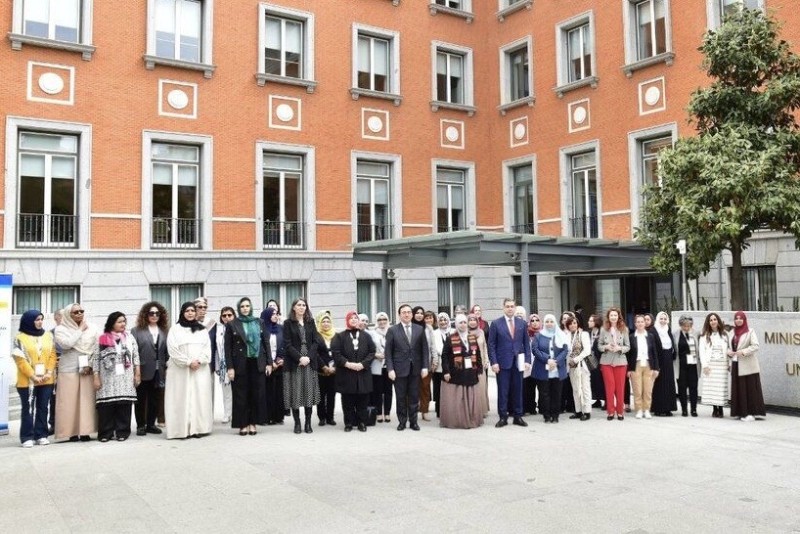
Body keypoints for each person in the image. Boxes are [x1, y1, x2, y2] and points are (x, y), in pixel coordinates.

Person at [165, 302, 213, 439]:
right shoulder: (175, 329)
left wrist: (199, 361)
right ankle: (181, 430)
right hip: (180, 370)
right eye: (187, 311)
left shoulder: (202, 329)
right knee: (181, 397)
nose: (190, 313)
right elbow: (172, 350)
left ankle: (198, 428)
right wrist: (187, 362)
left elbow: (207, 348)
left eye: (193, 310)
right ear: (182, 313)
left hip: (199, 369)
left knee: (199, 397)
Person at [226, 297, 272, 436]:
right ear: (239, 309)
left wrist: (269, 363)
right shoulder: (233, 323)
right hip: (240, 363)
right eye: (242, 306)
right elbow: (228, 348)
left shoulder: (260, 322)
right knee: (241, 395)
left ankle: (253, 423)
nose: (245, 308)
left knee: (256, 394)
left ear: (251, 307)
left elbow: (266, 343)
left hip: (257, 362)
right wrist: (230, 367)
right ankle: (243, 424)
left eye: (247, 306)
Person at [93, 312, 140, 442]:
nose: (123, 324)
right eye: (119, 321)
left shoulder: (130, 338)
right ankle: (105, 433)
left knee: (124, 405)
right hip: (108, 377)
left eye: (124, 321)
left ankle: (122, 432)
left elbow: (136, 356)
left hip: (125, 376)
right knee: (106, 406)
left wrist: (137, 373)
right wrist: (96, 376)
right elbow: (96, 358)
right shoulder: (102, 338)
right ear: (112, 323)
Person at [54, 303, 99, 441]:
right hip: (68, 369)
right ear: (68, 314)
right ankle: (71, 432)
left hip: (87, 368)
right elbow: (67, 344)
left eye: (81, 311)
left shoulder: (92, 327)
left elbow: (96, 347)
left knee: (86, 401)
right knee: (69, 402)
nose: (79, 313)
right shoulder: (60, 329)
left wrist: (90, 364)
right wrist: (80, 329)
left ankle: (85, 431)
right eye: (75, 312)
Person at [12, 310, 57, 447]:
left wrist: (49, 372)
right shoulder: (20, 338)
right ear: (28, 321)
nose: (40, 322)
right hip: (27, 381)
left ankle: (41, 435)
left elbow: (53, 354)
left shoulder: (48, 335)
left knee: (43, 407)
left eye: (41, 319)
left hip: (46, 379)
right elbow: (20, 360)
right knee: (28, 409)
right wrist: (33, 376)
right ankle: (27, 436)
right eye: (37, 319)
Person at [385, 303, 430, 431]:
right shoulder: (393, 330)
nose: (406, 314)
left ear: (412, 314)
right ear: (399, 315)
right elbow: (388, 352)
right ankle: (402, 422)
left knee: (414, 396)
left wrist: (425, 367)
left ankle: (413, 422)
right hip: (399, 370)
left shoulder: (419, 329)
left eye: (409, 312)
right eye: (404, 312)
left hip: (415, 369)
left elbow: (424, 349)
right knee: (400, 397)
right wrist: (390, 369)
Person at [488, 298, 532, 427]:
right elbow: (491, 345)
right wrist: (494, 362)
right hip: (502, 363)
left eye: (512, 306)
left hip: (518, 362)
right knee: (503, 390)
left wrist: (528, 360)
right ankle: (503, 417)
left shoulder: (522, 323)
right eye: (507, 306)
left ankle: (518, 416)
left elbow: (526, 343)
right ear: (503, 308)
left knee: (518, 390)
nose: (510, 308)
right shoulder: (496, 324)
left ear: (515, 307)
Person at [282, 297, 322, 434]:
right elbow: (287, 344)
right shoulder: (287, 323)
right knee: (296, 393)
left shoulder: (310, 322)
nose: (301, 307)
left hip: (309, 362)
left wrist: (308, 358)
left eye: (304, 305)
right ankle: (297, 423)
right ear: (293, 307)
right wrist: (300, 358)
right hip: (294, 362)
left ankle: (308, 423)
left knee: (308, 392)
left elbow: (316, 342)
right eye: (299, 305)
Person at [332, 311, 376, 432]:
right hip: (346, 373)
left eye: (355, 318)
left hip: (363, 372)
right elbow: (336, 353)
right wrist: (348, 364)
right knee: (348, 401)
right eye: (350, 318)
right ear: (347, 320)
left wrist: (363, 364)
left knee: (363, 400)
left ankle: (362, 422)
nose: (353, 320)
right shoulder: (339, 336)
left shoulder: (366, 336)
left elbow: (372, 352)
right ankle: (349, 423)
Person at [440, 314, 484, 429]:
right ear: (456, 324)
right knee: (458, 398)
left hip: (470, 373)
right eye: (460, 322)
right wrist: (446, 372)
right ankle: (458, 421)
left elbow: (478, 355)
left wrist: (479, 370)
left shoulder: (472, 337)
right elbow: (444, 356)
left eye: (465, 322)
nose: (463, 325)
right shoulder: (450, 338)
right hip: (456, 373)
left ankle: (471, 419)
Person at [130, 302, 168, 436]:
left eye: (157, 313)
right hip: (143, 369)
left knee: (155, 399)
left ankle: (151, 424)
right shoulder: (136, 330)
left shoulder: (164, 330)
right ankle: (141, 425)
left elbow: (166, 351)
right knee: (140, 399)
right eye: (151, 313)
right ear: (145, 314)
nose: (154, 316)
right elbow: (133, 352)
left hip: (160, 370)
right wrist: (136, 370)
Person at [728, 311, 766, 422]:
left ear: (744, 320)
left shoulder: (750, 331)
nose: (738, 320)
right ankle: (740, 412)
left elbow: (756, 346)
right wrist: (728, 352)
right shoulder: (731, 332)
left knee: (749, 389)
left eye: (741, 318)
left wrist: (743, 352)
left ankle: (751, 413)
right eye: (736, 318)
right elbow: (728, 346)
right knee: (738, 389)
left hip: (748, 365)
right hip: (736, 363)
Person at [531, 314, 569, 423]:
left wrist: (556, 361)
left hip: (557, 368)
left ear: (555, 322)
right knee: (544, 393)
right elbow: (535, 350)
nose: (549, 324)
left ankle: (555, 415)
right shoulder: (538, 336)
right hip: (543, 368)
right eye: (547, 321)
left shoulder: (561, 335)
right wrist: (547, 359)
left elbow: (565, 350)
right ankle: (546, 415)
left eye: (551, 321)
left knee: (556, 393)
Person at [598, 307, 630, 421]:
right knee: (609, 387)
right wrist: (606, 347)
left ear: (618, 316)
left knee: (620, 388)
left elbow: (628, 346)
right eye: (611, 315)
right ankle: (611, 411)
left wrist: (619, 348)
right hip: (606, 362)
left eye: (615, 315)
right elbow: (599, 346)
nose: (613, 317)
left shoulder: (624, 329)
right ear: (608, 317)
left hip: (620, 361)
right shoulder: (603, 329)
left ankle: (620, 412)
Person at [698, 312, 730, 418]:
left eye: (715, 319)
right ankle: (714, 408)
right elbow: (701, 351)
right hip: (711, 364)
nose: (713, 322)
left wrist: (729, 364)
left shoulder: (725, 334)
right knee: (712, 387)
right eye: (711, 320)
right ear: (708, 322)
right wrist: (705, 365)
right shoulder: (704, 335)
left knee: (720, 387)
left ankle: (720, 409)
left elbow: (729, 349)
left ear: (718, 321)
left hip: (722, 365)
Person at [628, 315, 659, 420]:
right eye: (638, 322)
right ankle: (639, 410)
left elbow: (654, 352)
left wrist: (656, 368)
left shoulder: (650, 336)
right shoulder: (631, 337)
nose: (640, 323)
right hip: (636, 365)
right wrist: (629, 369)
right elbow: (629, 354)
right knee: (637, 389)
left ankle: (647, 410)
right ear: (635, 324)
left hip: (648, 364)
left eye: (642, 322)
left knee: (648, 389)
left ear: (645, 323)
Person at [261, 306, 286, 425]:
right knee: (268, 391)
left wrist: (282, 359)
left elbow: (285, 345)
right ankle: (267, 417)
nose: (276, 316)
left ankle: (278, 416)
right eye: (273, 314)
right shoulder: (262, 328)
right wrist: (270, 362)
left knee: (278, 391)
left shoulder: (281, 328)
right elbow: (261, 348)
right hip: (267, 365)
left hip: (279, 363)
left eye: (277, 313)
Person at [651, 311, 677, 416]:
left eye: (665, 319)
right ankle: (658, 408)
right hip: (659, 360)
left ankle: (668, 408)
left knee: (669, 384)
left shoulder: (668, 329)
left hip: (668, 360)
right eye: (661, 318)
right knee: (659, 384)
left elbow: (672, 345)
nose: (663, 320)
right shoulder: (653, 331)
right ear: (657, 319)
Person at [566, 316, 592, 421]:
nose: (573, 325)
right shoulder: (567, 336)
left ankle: (587, 411)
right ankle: (578, 411)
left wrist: (576, 359)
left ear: (578, 324)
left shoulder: (583, 334)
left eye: (574, 323)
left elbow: (587, 350)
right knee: (576, 389)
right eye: (570, 323)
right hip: (571, 367)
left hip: (582, 365)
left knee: (585, 388)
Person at [369, 312, 393, 423]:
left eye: (384, 319)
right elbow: (369, 350)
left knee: (388, 390)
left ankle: (387, 413)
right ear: (376, 321)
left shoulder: (392, 332)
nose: (382, 321)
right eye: (379, 320)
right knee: (377, 390)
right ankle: (379, 413)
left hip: (389, 365)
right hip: (377, 365)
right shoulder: (372, 333)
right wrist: (375, 355)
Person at [315, 310, 338, 426]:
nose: (325, 323)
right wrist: (323, 366)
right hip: (321, 371)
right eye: (323, 321)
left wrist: (334, 367)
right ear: (320, 323)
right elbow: (315, 353)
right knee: (321, 395)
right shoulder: (316, 335)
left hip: (334, 370)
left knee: (331, 395)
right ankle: (321, 417)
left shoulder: (336, 335)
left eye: (328, 321)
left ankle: (330, 417)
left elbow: (339, 352)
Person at [675, 315, 700, 417]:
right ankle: (684, 409)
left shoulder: (696, 333)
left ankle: (693, 409)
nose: (686, 327)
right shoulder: (675, 334)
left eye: (688, 325)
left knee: (693, 387)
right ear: (680, 325)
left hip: (693, 365)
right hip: (681, 364)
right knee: (682, 388)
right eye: (684, 325)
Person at [214, 306, 235, 424]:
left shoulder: (238, 327)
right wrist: (217, 366)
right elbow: (216, 349)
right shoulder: (218, 329)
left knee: (237, 391)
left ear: (234, 316)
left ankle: (237, 414)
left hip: (237, 364)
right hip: (223, 365)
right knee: (226, 391)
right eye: (224, 315)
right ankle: (227, 414)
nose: (227, 317)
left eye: (229, 315)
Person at [467, 312, 490, 416]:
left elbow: (484, 346)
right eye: (470, 320)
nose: (472, 322)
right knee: (471, 387)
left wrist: (486, 360)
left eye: (474, 320)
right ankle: (471, 410)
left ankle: (481, 410)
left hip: (480, 364)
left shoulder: (481, 332)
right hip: (468, 364)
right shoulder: (465, 332)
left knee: (481, 386)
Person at [420, 310, 439, 421]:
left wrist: (434, 360)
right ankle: (418, 408)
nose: (428, 320)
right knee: (418, 388)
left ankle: (425, 410)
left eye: (430, 317)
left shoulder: (430, 329)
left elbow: (433, 346)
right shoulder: (418, 328)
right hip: (417, 363)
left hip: (428, 362)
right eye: (426, 318)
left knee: (426, 387)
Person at [430, 311, 450, 419]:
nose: (443, 322)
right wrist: (444, 352)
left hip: (451, 366)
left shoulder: (453, 332)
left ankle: (450, 410)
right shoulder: (434, 333)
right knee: (438, 388)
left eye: (445, 320)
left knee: (450, 388)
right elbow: (434, 348)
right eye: (441, 320)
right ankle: (439, 411)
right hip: (438, 365)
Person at [522, 313, 541, 416]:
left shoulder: (543, 333)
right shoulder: (526, 334)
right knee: (528, 387)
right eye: (532, 321)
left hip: (540, 364)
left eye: (536, 320)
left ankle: (542, 407)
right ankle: (529, 407)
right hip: (528, 365)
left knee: (541, 388)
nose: (534, 323)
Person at [48, 309, 63, 436]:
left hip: (70, 368)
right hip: (55, 369)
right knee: (54, 397)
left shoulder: (72, 332)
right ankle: (53, 424)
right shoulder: (50, 334)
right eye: (61, 317)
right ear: (56, 318)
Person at [559, 311, 577, 415]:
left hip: (573, 361)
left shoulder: (574, 332)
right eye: (564, 318)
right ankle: (561, 405)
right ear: (561, 321)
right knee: (562, 384)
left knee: (572, 384)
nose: (566, 320)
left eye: (568, 318)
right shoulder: (559, 332)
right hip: (562, 361)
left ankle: (572, 405)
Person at [587, 314, 605, 410]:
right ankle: (597, 400)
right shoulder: (589, 333)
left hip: (600, 360)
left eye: (590, 321)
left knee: (602, 381)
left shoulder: (602, 333)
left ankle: (605, 400)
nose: (588, 322)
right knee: (594, 381)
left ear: (596, 322)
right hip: (590, 360)